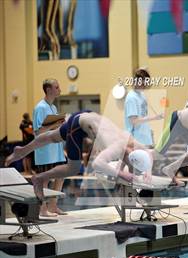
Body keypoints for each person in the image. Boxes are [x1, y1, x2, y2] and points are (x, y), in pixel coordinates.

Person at [6, 111, 152, 202]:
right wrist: (122, 174)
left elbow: (150, 154)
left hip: (87, 115)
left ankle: (22, 150)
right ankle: (39, 178)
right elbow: (97, 164)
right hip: (79, 125)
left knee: (52, 137)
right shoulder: (117, 146)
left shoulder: (131, 141)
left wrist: (148, 172)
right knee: (73, 168)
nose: (130, 167)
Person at [32, 78, 66, 216]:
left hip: (56, 150)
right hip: (45, 151)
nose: (60, 89)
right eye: (57, 87)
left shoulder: (53, 107)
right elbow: (38, 131)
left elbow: (52, 128)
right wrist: (54, 124)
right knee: (45, 180)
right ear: (48, 90)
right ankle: (43, 209)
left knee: (61, 176)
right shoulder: (40, 108)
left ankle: (53, 205)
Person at [124, 68, 163, 147]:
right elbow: (134, 121)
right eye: (144, 83)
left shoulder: (142, 95)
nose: (145, 86)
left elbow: (143, 116)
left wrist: (149, 131)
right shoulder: (131, 98)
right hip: (135, 141)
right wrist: (154, 117)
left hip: (145, 139)